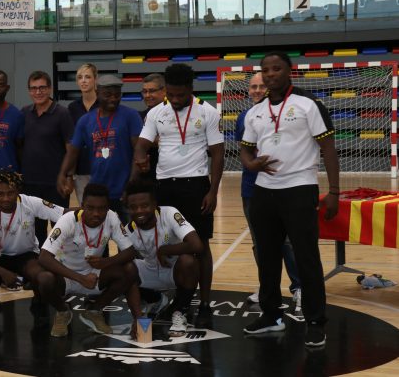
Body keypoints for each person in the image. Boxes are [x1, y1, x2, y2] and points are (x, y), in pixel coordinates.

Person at [239, 51, 339, 348]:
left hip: (299, 188)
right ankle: (271, 315)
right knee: (267, 257)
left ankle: (316, 321)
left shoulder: (309, 104)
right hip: (264, 191)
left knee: (306, 258)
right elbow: (245, 148)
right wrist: (250, 163)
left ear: (289, 71)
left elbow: (329, 149)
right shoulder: (255, 112)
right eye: (265, 70)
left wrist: (333, 192)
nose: (270, 74)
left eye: (276, 69)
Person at [133, 63, 224, 329]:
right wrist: (140, 159)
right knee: (167, 245)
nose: (174, 100)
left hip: (196, 186)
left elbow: (217, 153)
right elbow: (142, 144)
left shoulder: (207, 111)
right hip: (164, 188)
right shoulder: (156, 113)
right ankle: (174, 300)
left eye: (179, 95)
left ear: (191, 89)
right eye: (169, 95)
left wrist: (213, 190)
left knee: (201, 246)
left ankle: (205, 303)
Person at [0, 170, 65, 330]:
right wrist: (3, 273)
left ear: (18, 191)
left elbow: (63, 213)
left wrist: (88, 210)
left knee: (46, 278)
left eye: (10, 193)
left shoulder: (30, 203)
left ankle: (39, 303)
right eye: (0, 194)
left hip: (26, 255)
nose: (5, 198)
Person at [37, 183, 140, 337]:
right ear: (82, 206)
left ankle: (94, 310)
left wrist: (106, 262)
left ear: (108, 207)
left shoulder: (111, 217)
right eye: (90, 208)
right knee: (44, 279)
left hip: (94, 274)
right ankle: (63, 311)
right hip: (66, 276)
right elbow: (44, 257)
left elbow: (131, 251)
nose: (96, 214)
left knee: (130, 269)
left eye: (101, 209)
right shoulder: (68, 220)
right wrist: (80, 278)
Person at [235, 72, 301, 306]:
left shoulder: (287, 114)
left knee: (287, 242)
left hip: (283, 187)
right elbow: (244, 152)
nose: (256, 90)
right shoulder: (243, 117)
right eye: (253, 86)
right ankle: (267, 286)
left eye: (261, 86)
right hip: (252, 190)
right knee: (259, 243)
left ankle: (299, 287)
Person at [58, 74, 143, 223]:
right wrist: (63, 174)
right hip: (98, 192)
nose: (113, 99)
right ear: (97, 94)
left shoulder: (131, 116)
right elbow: (73, 151)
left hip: (125, 190)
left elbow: (139, 152)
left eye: (117, 95)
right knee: (97, 240)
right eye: (108, 94)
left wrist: (131, 185)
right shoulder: (86, 121)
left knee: (130, 239)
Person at [123, 179, 203, 337]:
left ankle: (180, 312)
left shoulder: (169, 213)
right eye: (133, 207)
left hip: (174, 270)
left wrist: (164, 249)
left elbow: (197, 245)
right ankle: (149, 306)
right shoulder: (127, 231)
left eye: (145, 206)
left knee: (189, 261)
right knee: (123, 269)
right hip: (151, 271)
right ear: (127, 208)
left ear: (154, 204)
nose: (139, 211)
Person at [21, 71, 74, 246]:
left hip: (55, 184)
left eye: (42, 87)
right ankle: (40, 265)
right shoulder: (24, 113)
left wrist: (68, 177)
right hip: (30, 184)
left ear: (50, 89)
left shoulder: (62, 113)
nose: (38, 92)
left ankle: (62, 265)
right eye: (34, 88)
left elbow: (71, 149)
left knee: (61, 229)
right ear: (29, 91)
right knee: (36, 230)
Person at [67, 63, 98, 204]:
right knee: (86, 208)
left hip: (102, 164)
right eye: (80, 77)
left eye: (87, 77)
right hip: (81, 167)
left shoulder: (104, 104)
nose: (83, 81)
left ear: (95, 79)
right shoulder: (72, 107)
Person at [139, 73, 166, 181]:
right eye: (144, 91)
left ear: (164, 91)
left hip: (171, 174)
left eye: (152, 91)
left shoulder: (176, 115)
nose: (147, 95)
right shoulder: (139, 116)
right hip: (146, 176)